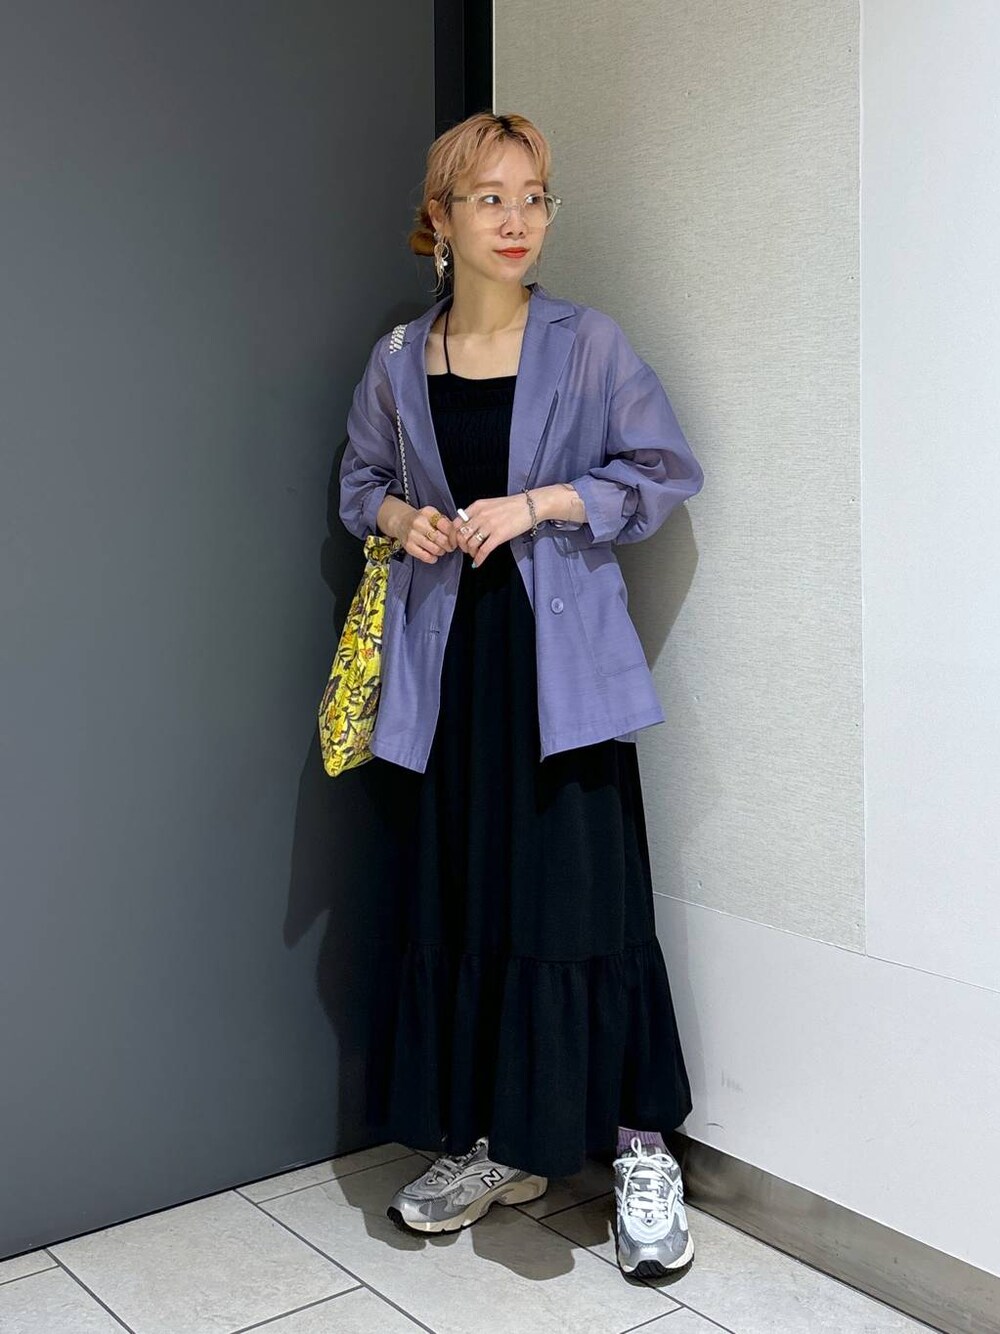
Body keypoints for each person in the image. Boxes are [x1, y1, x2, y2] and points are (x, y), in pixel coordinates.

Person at [338, 111, 704, 1279]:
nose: (516, 219)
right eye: (489, 197)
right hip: (445, 671)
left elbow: (661, 471)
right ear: (438, 217)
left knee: (584, 899)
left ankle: (641, 1147)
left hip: (562, 669)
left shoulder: (587, 343)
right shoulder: (400, 358)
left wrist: (537, 503)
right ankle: (497, 1140)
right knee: (472, 899)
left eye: (533, 196)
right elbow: (358, 481)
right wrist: (407, 515)